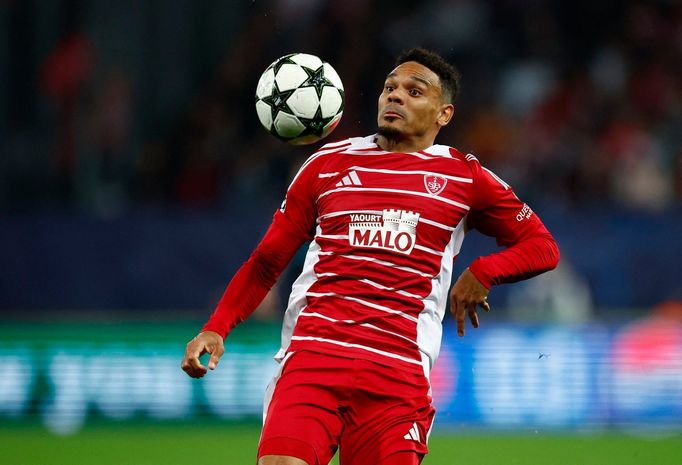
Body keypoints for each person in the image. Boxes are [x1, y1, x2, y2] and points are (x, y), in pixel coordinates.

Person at [181, 48, 560, 465]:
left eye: (414, 91)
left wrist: (486, 271)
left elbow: (542, 246)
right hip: (314, 358)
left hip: (397, 373)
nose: (395, 96)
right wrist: (217, 327)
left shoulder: (464, 177)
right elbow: (266, 262)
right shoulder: (325, 165)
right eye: (389, 87)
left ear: (444, 114)